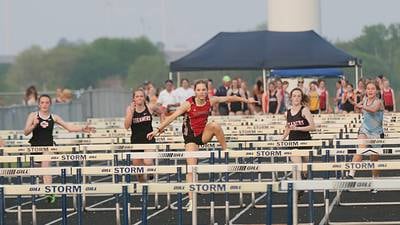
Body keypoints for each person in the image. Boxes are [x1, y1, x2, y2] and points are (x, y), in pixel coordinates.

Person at [146, 80, 256, 211]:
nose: (202, 92)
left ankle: (225, 149)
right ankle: (191, 200)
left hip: (203, 134)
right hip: (190, 137)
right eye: (199, 90)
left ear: (206, 90)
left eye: (204, 90)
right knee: (191, 168)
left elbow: (229, 98)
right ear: (195, 91)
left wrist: (246, 101)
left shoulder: (211, 100)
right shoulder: (188, 103)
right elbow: (173, 116)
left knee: (215, 125)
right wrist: (157, 129)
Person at [24, 94, 95, 203]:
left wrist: (82, 128)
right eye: (42, 102)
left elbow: (69, 128)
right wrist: (34, 125)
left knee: (45, 166)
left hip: (48, 147)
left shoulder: (54, 117)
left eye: (47, 102)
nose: (44, 105)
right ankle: (45, 185)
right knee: (40, 172)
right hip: (35, 147)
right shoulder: (33, 116)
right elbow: (26, 132)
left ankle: (49, 192)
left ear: (50, 104)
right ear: (39, 104)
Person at [346, 81, 384, 193]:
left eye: (372, 89)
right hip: (365, 129)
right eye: (368, 89)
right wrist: (355, 104)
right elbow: (358, 108)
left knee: (374, 159)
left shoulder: (379, 102)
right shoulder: (365, 100)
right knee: (361, 148)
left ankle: (374, 182)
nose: (370, 91)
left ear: (376, 91)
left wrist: (361, 106)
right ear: (366, 91)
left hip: (377, 132)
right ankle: (351, 175)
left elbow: (373, 110)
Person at [281, 88, 316, 184]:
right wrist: (281, 138)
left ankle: (301, 184)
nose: (296, 98)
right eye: (294, 96)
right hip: (293, 142)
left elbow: (312, 127)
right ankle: (297, 187)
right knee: (297, 165)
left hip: (305, 142)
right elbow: (288, 128)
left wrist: (297, 128)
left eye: (298, 96)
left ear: (301, 98)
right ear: (291, 98)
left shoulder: (304, 110)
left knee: (304, 170)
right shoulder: (287, 113)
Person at [124, 89, 157, 182]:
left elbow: (162, 111)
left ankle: (151, 172)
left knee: (148, 161)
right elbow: (126, 126)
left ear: (144, 98)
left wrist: (161, 128)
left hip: (149, 139)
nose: (139, 98)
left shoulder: (150, 107)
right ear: (133, 98)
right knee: (138, 171)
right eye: (137, 96)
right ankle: (143, 190)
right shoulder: (130, 109)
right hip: (136, 140)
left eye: (141, 96)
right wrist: (131, 112)